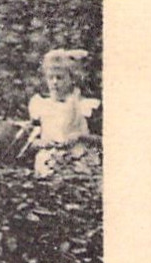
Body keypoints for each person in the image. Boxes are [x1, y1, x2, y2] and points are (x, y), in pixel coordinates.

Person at [23, 48, 101, 178]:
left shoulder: (87, 106)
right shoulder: (40, 104)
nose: (54, 82)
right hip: (48, 164)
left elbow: (104, 141)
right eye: (50, 78)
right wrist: (41, 143)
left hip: (79, 163)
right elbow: (31, 141)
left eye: (60, 78)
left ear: (72, 79)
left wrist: (80, 137)